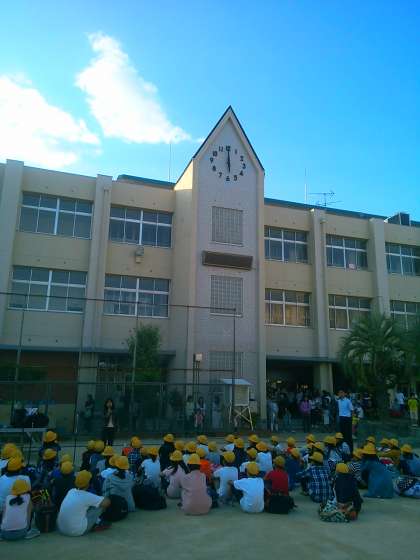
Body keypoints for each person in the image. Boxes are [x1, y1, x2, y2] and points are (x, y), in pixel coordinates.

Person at [57, 470, 111, 536]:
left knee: (87, 506)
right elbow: (107, 502)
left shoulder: (71, 491)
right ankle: (97, 523)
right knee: (100, 507)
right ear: (88, 483)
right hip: (76, 531)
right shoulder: (87, 496)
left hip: (61, 528)